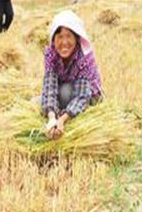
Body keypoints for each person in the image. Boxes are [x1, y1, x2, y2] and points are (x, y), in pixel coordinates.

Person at [40, 10, 103, 139]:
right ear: (53, 39)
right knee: (42, 100)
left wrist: (62, 120)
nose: (64, 42)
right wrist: (52, 118)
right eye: (59, 37)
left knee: (65, 91)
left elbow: (81, 96)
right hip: (65, 90)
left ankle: (67, 115)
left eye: (68, 36)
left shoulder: (84, 57)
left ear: (76, 37)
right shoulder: (51, 54)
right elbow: (50, 86)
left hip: (88, 96)